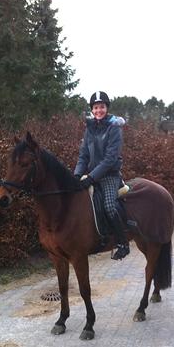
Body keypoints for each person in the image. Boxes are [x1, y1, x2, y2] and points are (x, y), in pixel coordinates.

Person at [74, 91, 130, 260]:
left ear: (107, 108)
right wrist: (76, 175)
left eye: (102, 107)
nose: (99, 110)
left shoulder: (114, 128)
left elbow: (110, 159)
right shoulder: (89, 129)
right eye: (96, 107)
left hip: (109, 175)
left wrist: (92, 177)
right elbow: (83, 155)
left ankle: (122, 243)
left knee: (109, 206)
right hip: (91, 175)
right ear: (92, 110)